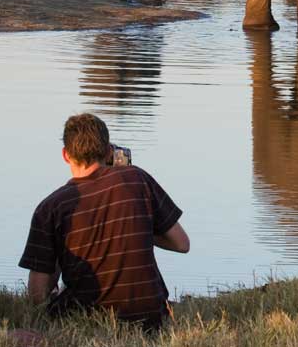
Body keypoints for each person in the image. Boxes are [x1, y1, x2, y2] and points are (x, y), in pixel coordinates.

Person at [19, 113, 189, 329]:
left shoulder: (50, 207)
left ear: (65, 155)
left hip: (87, 316)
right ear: (109, 151)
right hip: (152, 315)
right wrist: (138, 223)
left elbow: (37, 296)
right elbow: (181, 244)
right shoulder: (137, 178)